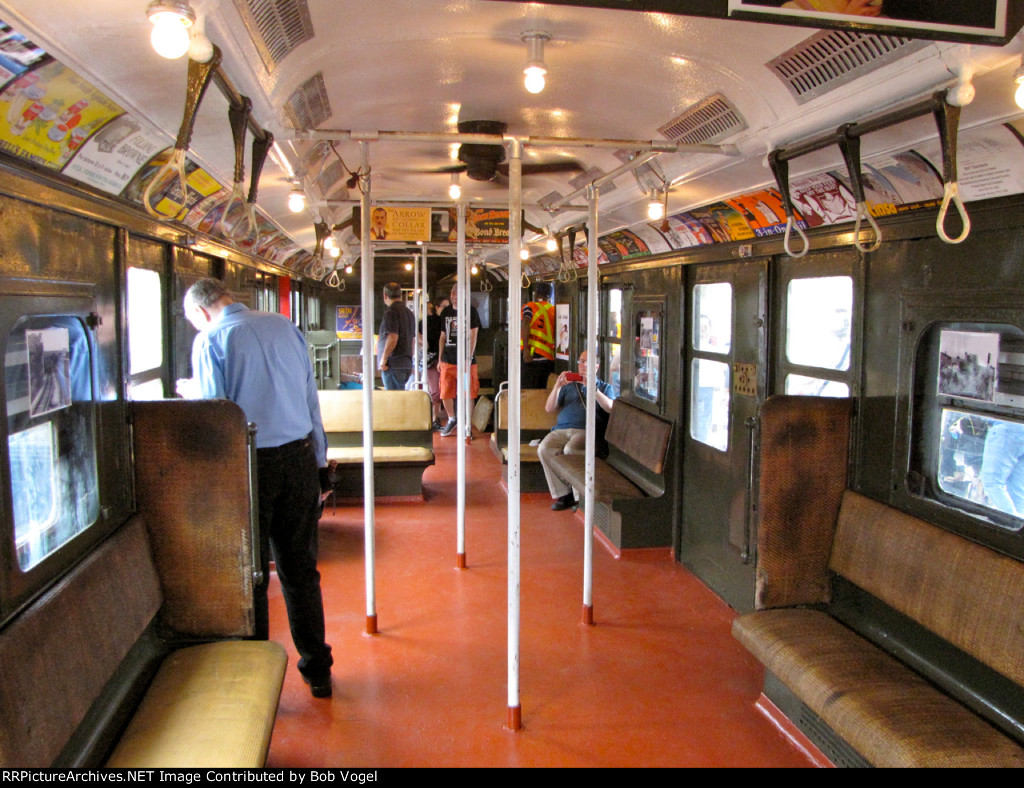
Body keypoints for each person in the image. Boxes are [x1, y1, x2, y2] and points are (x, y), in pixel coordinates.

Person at [176, 278, 334, 699]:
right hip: (300, 458)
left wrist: (191, 394)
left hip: (251, 465)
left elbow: (217, 416)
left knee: (253, 575)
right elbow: (310, 400)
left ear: (201, 312)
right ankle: (318, 669)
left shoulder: (211, 340)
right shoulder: (285, 326)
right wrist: (320, 463)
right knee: (300, 571)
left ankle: (255, 683)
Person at [537, 351, 615, 511]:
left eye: (588, 362)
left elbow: (610, 408)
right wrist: (558, 386)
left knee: (570, 450)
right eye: (581, 361)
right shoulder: (569, 386)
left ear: (596, 366)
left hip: (584, 431)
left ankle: (580, 497)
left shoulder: (604, 387)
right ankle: (564, 493)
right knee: (544, 448)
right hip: (561, 430)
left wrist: (593, 390)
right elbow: (549, 408)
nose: (583, 365)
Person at [437, 282, 481, 437]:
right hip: (448, 360)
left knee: (468, 392)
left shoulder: (471, 311)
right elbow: (443, 337)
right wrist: (440, 358)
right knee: (445, 392)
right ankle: (452, 419)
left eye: (457, 294)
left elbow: (473, 335)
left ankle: (467, 424)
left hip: (466, 363)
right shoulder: (446, 312)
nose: (454, 297)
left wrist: (469, 357)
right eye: (453, 293)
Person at [980, 420, 1024, 517]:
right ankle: (1019, 519)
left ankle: (1011, 523)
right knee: (1017, 487)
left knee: (992, 481)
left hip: (1007, 427)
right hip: (1019, 428)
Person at [377, 282, 416, 390]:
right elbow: (412, 341)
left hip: (393, 363)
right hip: (405, 362)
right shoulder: (409, 313)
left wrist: (383, 359)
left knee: (393, 397)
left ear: (385, 295)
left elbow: (392, 337)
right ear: (400, 295)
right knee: (400, 395)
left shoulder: (391, 312)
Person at [422, 292, 449, 428]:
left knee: (444, 389)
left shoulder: (447, 322)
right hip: (431, 359)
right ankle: (434, 418)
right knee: (436, 391)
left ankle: (440, 417)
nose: (446, 309)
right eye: (444, 306)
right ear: (437, 307)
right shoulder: (428, 322)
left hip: (445, 359)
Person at [521, 283, 555, 389]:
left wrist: (525, 349)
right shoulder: (553, 310)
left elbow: (525, 322)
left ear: (536, 294)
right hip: (548, 359)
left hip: (531, 356)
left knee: (528, 392)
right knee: (543, 391)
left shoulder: (529, 307)